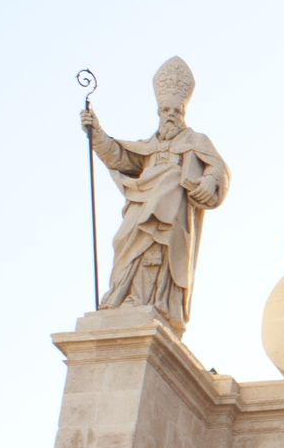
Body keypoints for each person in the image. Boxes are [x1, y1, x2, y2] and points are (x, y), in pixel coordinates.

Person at [83, 57, 230, 326]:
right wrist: (96, 132)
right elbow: (118, 156)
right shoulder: (147, 147)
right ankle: (124, 295)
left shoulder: (196, 141)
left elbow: (218, 169)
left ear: (183, 113)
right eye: (166, 110)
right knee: (124, 243)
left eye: (177, 110)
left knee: (172, 181)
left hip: (172, 219)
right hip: (141, 206)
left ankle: (155, 301)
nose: (171, 115)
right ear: (159, 113)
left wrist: (208, 181)